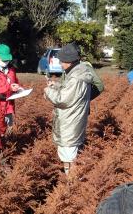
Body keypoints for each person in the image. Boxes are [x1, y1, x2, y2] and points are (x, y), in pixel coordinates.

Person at [44, 43, 93, 175]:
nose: (60, 63)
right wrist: (57, 84)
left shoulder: (76, 77)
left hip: (69, 122)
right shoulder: (79, 72)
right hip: (73, 119)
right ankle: (71, 179)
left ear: (69, 61)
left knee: (68, 155)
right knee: (70, 153)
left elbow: (63, 99)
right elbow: (70, 91)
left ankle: (71, 182)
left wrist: (48, 90)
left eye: (61, 61)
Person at [0, 44, 22, 127]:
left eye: (7, 60)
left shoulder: (11, 70)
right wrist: (9, 88)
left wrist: (18, 87)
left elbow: (15, 82)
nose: (6, 62)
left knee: (8, 132)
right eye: (3, 60)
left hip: (9, 108)